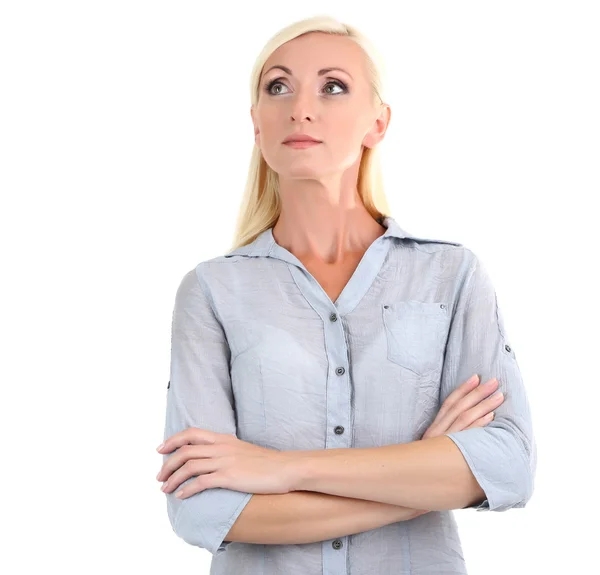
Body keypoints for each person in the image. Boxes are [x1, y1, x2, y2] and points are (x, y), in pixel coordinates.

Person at [156, 15, 537, 574]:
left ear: (377, 123)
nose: (300, 108)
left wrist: (283, 470)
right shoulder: (212, 291)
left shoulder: (450, 275)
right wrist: (422, 476)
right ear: (256, 124)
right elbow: (202, 509)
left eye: (333, 87)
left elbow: (508, 465)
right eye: (277, 87)